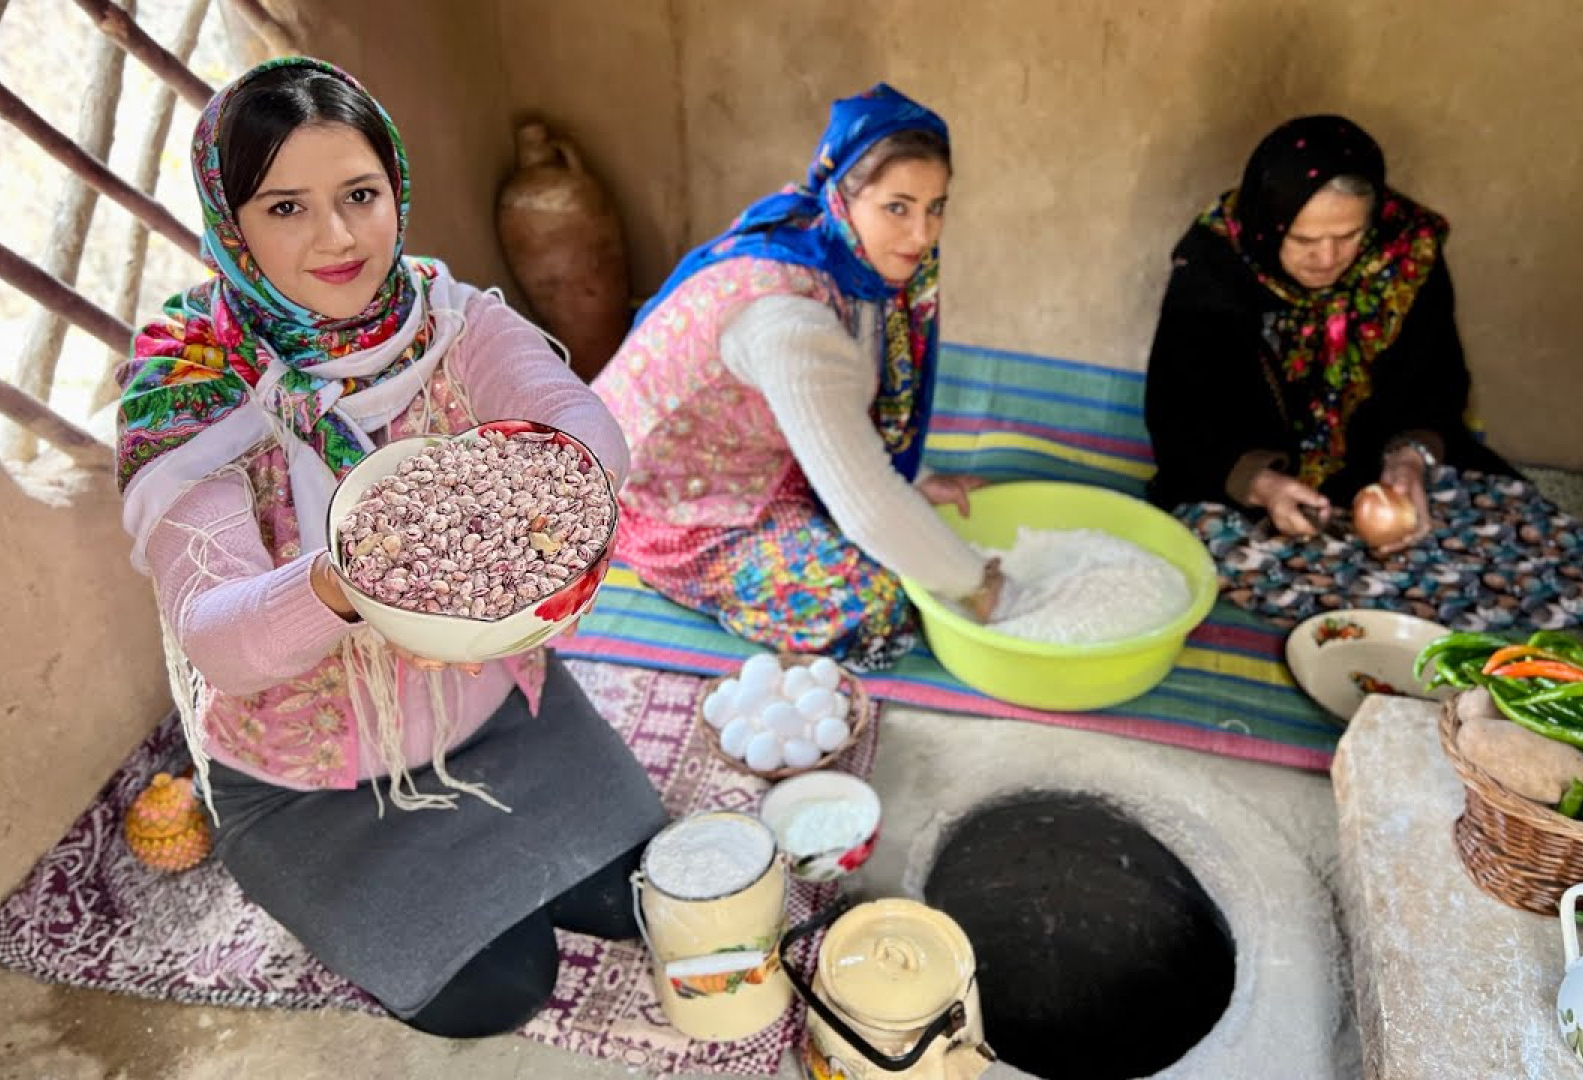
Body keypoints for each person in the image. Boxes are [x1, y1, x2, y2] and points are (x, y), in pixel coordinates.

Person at [114, 57, 667, 1039]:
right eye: (286, 208)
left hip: (496, 709)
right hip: (306, 780)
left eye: (359, 195)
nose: (337, 238)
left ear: (393, 190)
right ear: (229, 223)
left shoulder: (442, 317)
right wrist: (350, 577)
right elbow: (221, 644)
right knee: (501, 986)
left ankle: (515, 827)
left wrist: (532, 488)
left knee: (645, 895)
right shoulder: (188, 383)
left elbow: (579, 423)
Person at [1142, 115, 1583, 632]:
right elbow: (1178, 411)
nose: (1327, 259)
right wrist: (1261, 485)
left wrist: (1410, 461)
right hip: (1245, 491)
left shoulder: (1406, 254)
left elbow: (1438, 378)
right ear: (1269, 223)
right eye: (1304, 241)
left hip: (1375, 468)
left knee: (1543, 547)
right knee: (1224, 553)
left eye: (1348, 236)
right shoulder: (1215, 267)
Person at [591, 83, 1003, 670]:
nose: (923, 235)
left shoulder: (832, 247)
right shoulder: (788, 319)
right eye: (898, 207)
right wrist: (978, 581)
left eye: (935, 207)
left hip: (742, 450)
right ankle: (672, 568)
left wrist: (915, 476)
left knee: (908, 542)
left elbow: (841, 400)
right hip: (665, 494)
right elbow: (867, 508)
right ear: (845, 197)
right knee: (880, 603)